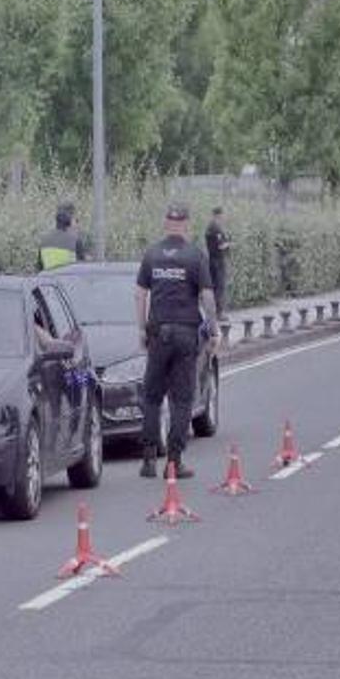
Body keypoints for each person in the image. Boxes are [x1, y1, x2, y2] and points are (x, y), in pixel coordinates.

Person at [135, 203, 221, 479]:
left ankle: (148, 459)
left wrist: (141, 329)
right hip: (185, 334)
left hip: (158, 333)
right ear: (186, 224)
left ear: (165, 223)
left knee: (151, 396)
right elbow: (207, 296)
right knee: (181, 398)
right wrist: (214, 328)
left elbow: (140, 294)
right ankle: (174, 462)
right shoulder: (195, 256)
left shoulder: (152, 254)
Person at [37, 202, 87, 271]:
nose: (78, 225)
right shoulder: (75, 241)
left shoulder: (44, 240)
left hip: (48, 280)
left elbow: (39, 269)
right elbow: (83, 270)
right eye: (77, 221)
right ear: (71, 221)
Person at [204, 206, 231, 320]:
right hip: (218, 261)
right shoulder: (217, 228)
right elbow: (221, 245)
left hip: (211, 260)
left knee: (214, 286)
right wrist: (229, 244)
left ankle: (212, 312)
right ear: (218, 215)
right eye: (222, 215)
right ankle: (219, 313)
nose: (223, 217)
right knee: (220, 286)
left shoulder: (209, 227)